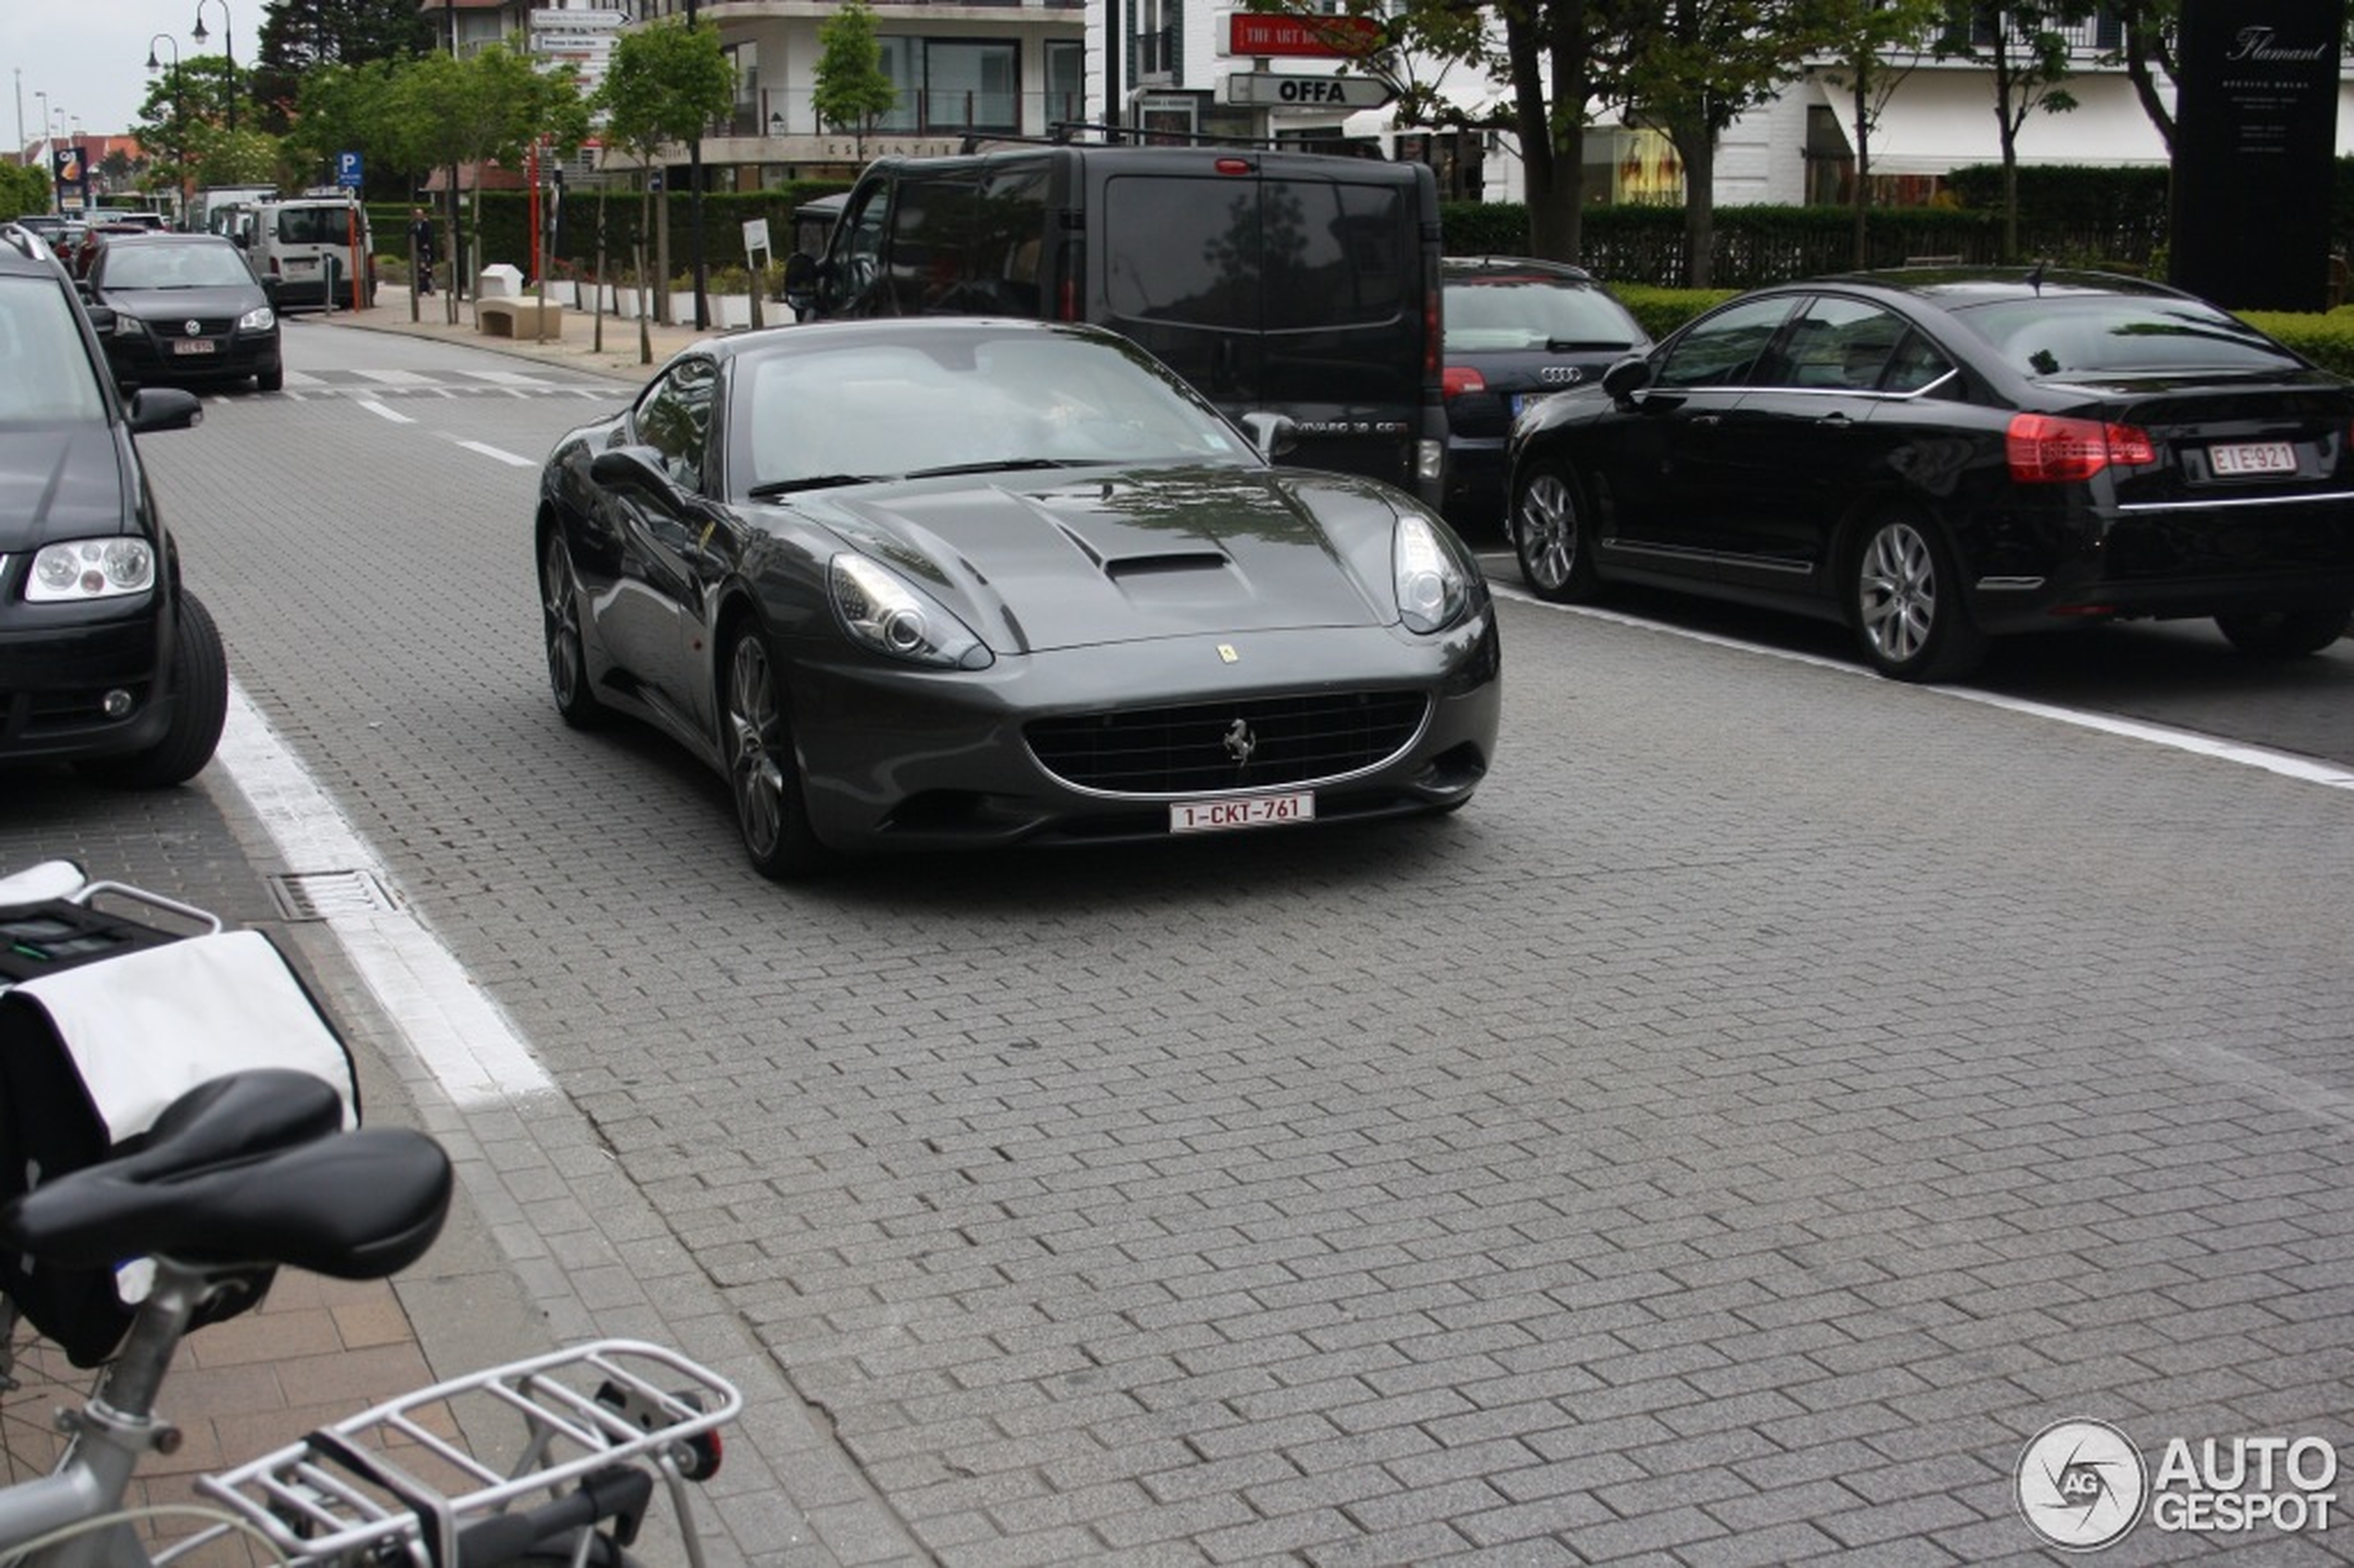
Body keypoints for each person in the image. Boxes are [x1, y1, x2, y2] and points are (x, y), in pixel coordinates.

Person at [409, 208, 436, 296]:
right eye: (417, 214)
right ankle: (418, 288)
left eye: (420, 214)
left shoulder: (427, 225)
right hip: (416, 250)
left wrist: (427, 245)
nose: (419, 216)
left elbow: (431, 236)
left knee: (427, 269)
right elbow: (408, 236)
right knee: (417, 270)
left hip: (425, 251)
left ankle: (430, 288)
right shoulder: (412, 225)